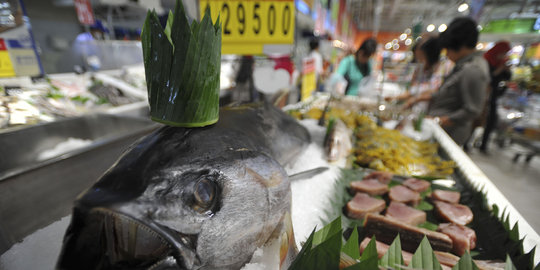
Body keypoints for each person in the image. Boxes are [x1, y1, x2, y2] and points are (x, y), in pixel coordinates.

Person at [410, 17, 490, 146]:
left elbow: (472, 110)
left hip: (450, 135)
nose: (447, 54)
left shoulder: (473, 70)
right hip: (440, 130)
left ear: (461, 46)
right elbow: (448, 92)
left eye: (448, 49)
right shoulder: (462, 65)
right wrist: (418, 98)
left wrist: (438, 120)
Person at [478, 41, 512, 153]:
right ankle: (468, 143)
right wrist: (499, 70)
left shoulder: (501, 62)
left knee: (491, 120)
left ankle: (483, 145)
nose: (504, 55)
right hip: (483, 93)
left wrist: (506, 70)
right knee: (477, 117)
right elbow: (486, 77)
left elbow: (507, 78)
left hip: (493, 95)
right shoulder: (487, 60)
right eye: (503, 52)